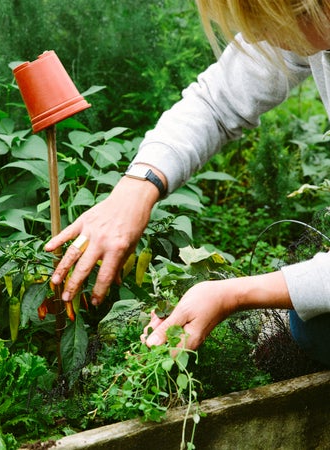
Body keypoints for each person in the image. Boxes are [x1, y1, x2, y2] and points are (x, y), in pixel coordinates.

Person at [44, 0, 330, 366]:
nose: (255, 34)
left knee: (317, 328)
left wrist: (233, 294)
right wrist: (137, 188)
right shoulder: (306, 24)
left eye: (263, 20)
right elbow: (217, 102)